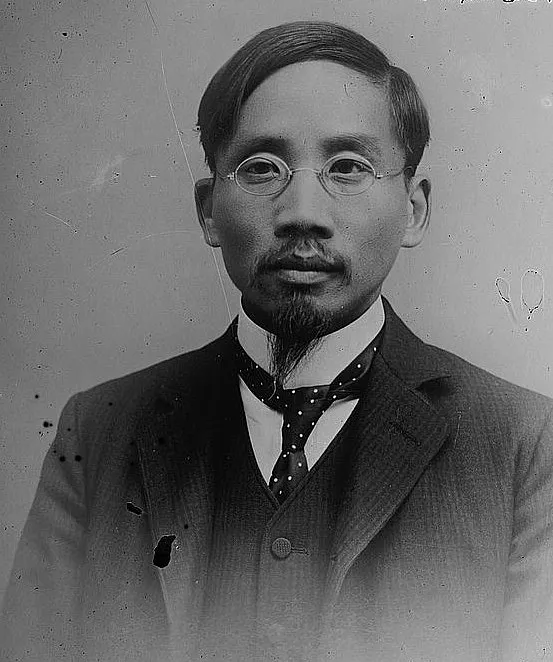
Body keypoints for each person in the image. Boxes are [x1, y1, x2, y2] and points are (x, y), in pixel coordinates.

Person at [1, 20, 552, 662]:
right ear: (209, 210)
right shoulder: (98, 432)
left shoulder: (524, 444)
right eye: (262, 169)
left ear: (415, 209)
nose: (302, 214)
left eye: (349, 168)